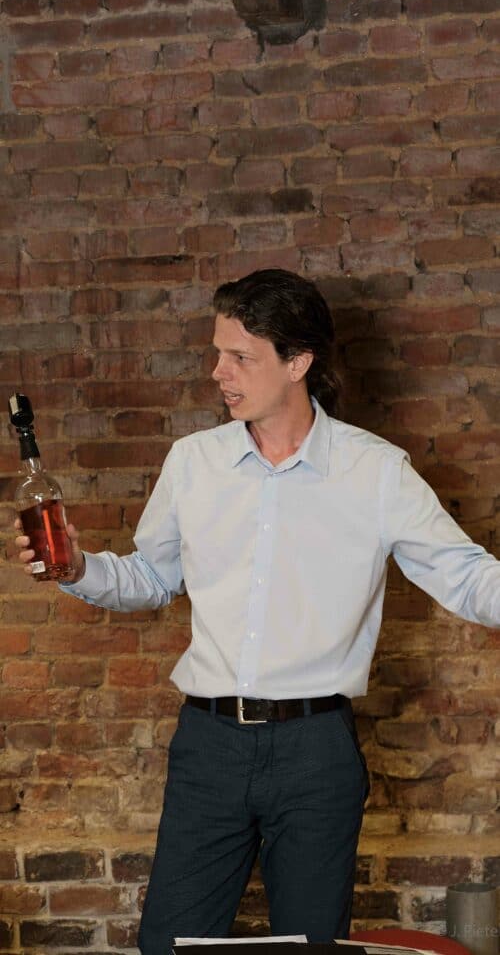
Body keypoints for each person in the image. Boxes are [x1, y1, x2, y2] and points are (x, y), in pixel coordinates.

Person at [15, 269, 500, 955]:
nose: (219, 372)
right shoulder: (194, 463)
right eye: (218, 353)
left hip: (316, 751)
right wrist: (76, 568)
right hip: (208, 747)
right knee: (168, 945)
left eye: (240, 357)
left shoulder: (376, 472)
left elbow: (466, 575)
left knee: (311, 948)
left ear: (298, 363)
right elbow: (152, 576)